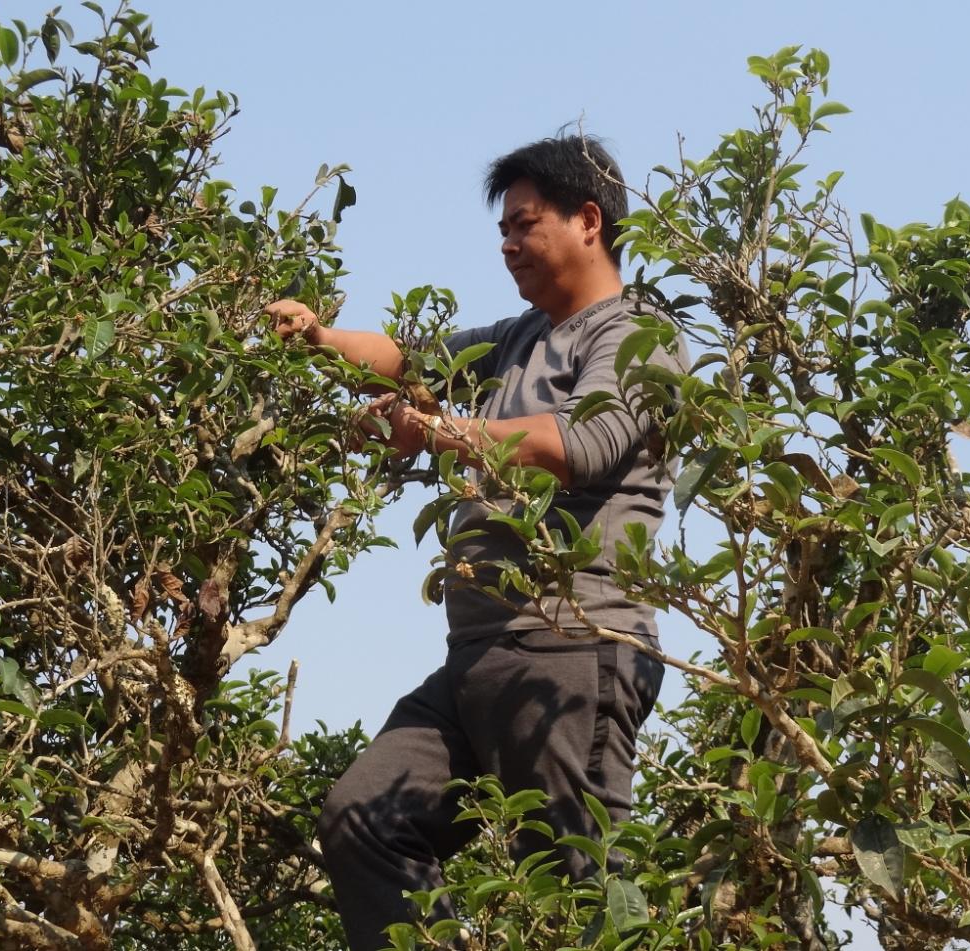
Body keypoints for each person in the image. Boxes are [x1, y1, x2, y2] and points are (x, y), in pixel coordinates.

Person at [266, 134, 686, 950]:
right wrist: (318, 335)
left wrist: (439, 428)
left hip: (573, 650)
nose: (507, 244)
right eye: (503, 228)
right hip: (476, 659)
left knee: (577, 897)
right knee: (362, 817)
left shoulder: (638, 336)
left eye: (523, 224)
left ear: (588, 220)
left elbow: (578, 446)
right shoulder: (513, 339)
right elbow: (405, 362)